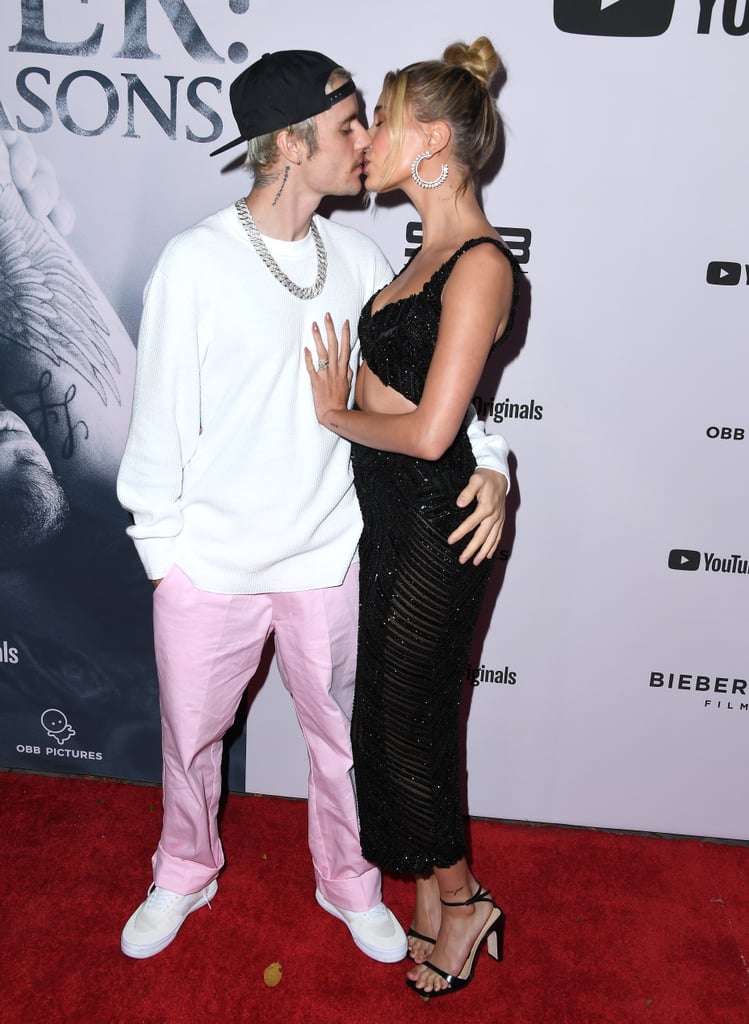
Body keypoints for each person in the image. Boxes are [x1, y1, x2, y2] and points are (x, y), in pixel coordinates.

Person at [115, 49, 512, 963]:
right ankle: (183, 867)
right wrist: (162, 556)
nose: (366, 141)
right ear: (290, 145)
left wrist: (491, 462)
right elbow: (158, 423)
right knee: (189, 742)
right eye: (346, 128)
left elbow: (434, 401)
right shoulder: (195, 262)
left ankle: (349, 880)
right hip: (209, 564)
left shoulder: (366, 257)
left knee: (343, 741)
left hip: (330, 553)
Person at [306, 37, 519, 995]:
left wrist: (331, 412)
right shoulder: (418, 252)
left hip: (435, 523)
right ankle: (436, 899)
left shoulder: (476, 262)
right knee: (392, 719)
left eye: (382, 122)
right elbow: (467, 413)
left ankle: (466, 901)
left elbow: (434, 434)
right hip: (387, 523)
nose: (369, 141)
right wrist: (498, 459)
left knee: (408, 728)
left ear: (431, 139)